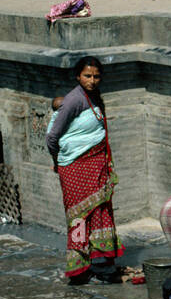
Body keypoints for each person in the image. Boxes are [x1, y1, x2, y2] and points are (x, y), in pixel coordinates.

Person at [46, 56, 125, 283]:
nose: (92, 80)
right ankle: (79, 267)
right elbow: (53, 136)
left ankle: (101, 263)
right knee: (79, 217)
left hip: (96, 165)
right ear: (78, 76)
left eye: (96, 76)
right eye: (87, 76)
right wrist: (58, 160)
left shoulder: (93, 97)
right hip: (75, 167)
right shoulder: (74, 100)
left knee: (100, 212)